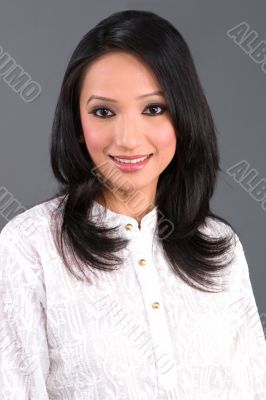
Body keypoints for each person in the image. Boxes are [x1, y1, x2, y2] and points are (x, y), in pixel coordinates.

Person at [0, 9, 265, 400]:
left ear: (185, 113)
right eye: (103, 112)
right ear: (77, 122)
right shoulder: (29, 248)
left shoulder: (220, 244)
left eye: (153, 109)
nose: (127, 138)